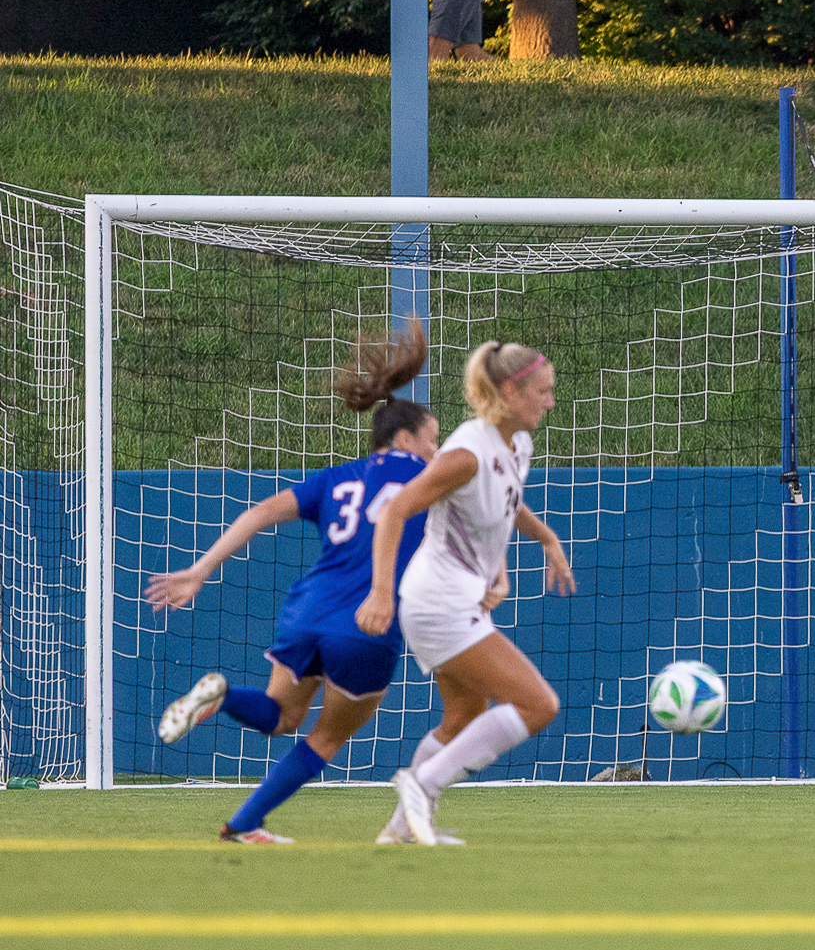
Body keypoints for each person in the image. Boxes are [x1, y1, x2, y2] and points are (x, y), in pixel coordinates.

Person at [147, 324, 444, 843]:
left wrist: (200, 569)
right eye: (433, 440)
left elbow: (260, 512)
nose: (438, 451)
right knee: (325, 738)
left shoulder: (335, 478)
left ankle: (223, 706)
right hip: (367, 622)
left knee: (281, 716)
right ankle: (242, 820)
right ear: (404, 439)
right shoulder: (429, 482)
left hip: (307, 611)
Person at [357, 340, 575, 846]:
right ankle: (422, 784)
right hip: (436, 603)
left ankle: (400, 831)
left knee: (463, 717)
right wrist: (381, 593)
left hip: (456, 600)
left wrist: (544, 537)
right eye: (543, 392)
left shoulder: (517, 444)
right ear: (510, 391)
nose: (551, 402)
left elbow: (505, 503)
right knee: (538, 704)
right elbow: (393, 512)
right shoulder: (464, 452)